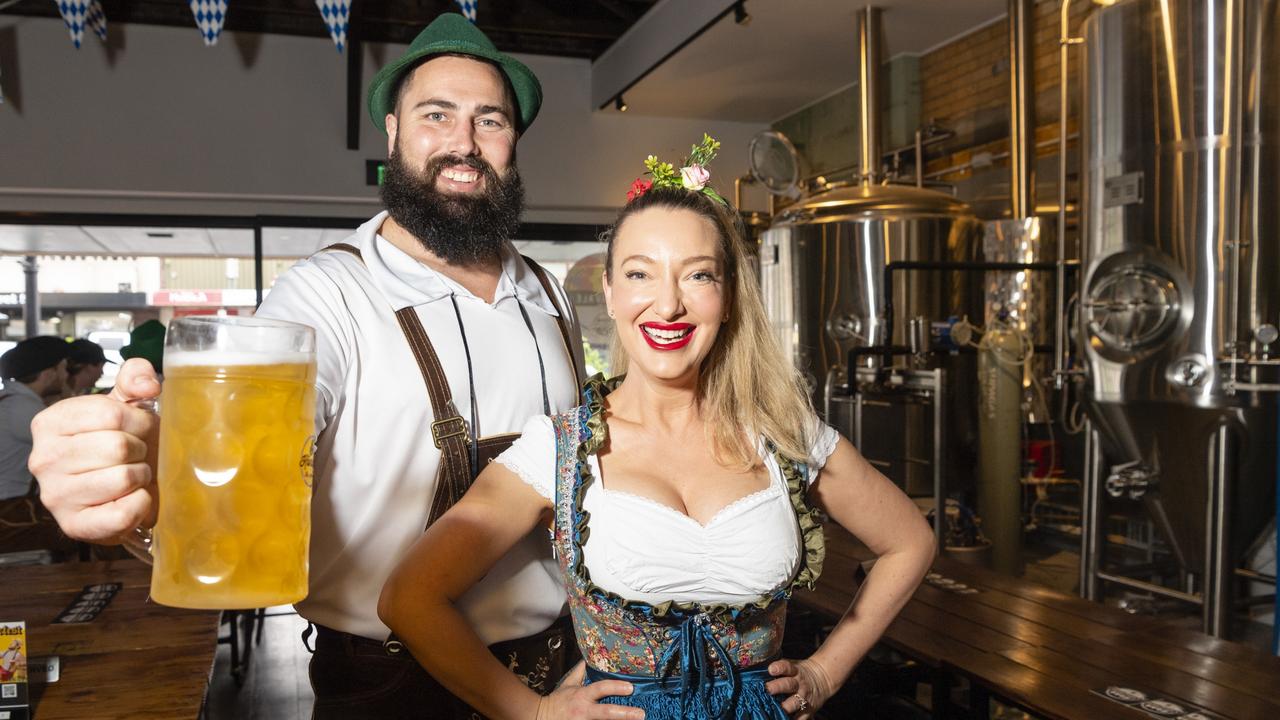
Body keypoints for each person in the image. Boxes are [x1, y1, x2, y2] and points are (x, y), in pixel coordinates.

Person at [27, 13, 585, 719]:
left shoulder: (547, 289)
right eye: (435, 115)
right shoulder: (327, 291)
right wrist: (143, 461)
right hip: (393, 688)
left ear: (512, 145)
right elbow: (242, 435)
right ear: (392, 134)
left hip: (561, 666)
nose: (463, 143)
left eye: (490, 120)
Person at [379, 142, 937, 718]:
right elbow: (410, 597)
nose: (668, 304)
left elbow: (909, 542)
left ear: (727, 297)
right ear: (614, 296)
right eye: (640, 273)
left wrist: (825, 670)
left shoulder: (784, 432)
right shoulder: (561, 449)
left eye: (697, 275)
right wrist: (534, 713)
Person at [1, 337, 70, 502]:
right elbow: (71, 446)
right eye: (64, 369)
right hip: (11, 507)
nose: (67, 376)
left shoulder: (11, 400)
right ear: (48, 374)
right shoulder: (24, 408)